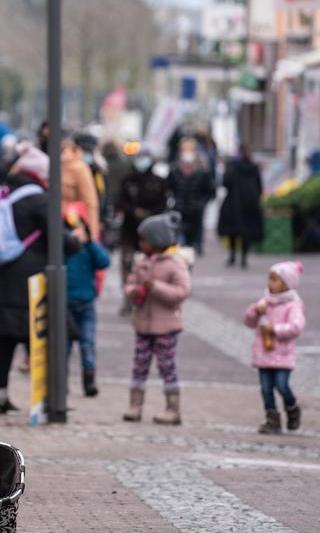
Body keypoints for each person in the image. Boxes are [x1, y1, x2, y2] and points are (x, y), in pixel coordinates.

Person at [0, 145, 81, 414]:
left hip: (1, 275)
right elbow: (59, 241)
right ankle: (47, 398)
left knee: (7, 340)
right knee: (42, 336)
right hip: (31, 279)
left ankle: (0, 396)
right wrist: (77, 240)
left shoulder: (3, 193)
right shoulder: (39, 199)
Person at [123, 211, 192, 424]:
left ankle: (173, 408)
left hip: (167, 326)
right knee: (139, 365)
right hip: (143, 324)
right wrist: (134, 292)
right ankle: (135, 405)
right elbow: (130, 284)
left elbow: (182, 292)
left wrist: (156, 287)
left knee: (166, 365)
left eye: (143, 239)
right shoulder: (141, 262)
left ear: (156, 241)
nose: (140, 243)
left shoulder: (175, 264)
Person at [243, 262, 306, 434]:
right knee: (265, 388)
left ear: (287, 283)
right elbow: (248, 321)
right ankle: (272, 419)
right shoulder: (265, 302)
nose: (270, 283)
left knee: (282, 385)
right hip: (263, 353)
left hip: (282, 354)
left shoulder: (293, 304)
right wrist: (256, 310)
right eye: (269, 279)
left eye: (275, 280)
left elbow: (296, 327)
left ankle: (292, 408)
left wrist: (275, 330)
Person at [64, 203, 111, 397]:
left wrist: (90, 241)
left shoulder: (89, 247)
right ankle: (61, 382)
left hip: (86, 304)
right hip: (65, 305)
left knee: (87, 343)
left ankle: (89, 380)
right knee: (63, 347)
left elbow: (104, 262)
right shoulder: (63, 248)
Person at [117, 152, 172, 314]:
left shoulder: (159, 182)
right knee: (127, 265)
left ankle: (150, 299)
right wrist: (134, 211)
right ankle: (129, 300)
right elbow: (120, 201)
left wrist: (149, 214)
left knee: (153, 267)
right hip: (129, 231)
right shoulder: (128, 180)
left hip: (152, 235)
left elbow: (164, 204)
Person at [217, 144, 264, 268]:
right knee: (246, 231)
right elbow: (259, 186)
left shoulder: (232, 166)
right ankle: (244, 257)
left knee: (233, 231)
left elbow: (225, 183)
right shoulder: (253, 167)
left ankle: (232, 256)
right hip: (250, 203)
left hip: (234, 202)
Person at [169, 138, 214, 255]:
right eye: (184, 149)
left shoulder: (203, 169)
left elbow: (209, 190)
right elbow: (169, 187)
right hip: (179, 208)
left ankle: (196, 245)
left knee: (195, 233)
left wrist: (201, 203)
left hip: (196, 209)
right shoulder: (175, 168)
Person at [62, 140, 101, 238]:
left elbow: (90, 203)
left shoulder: (79, 168)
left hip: (71, 227)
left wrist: (92, 236)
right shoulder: (45, 161)